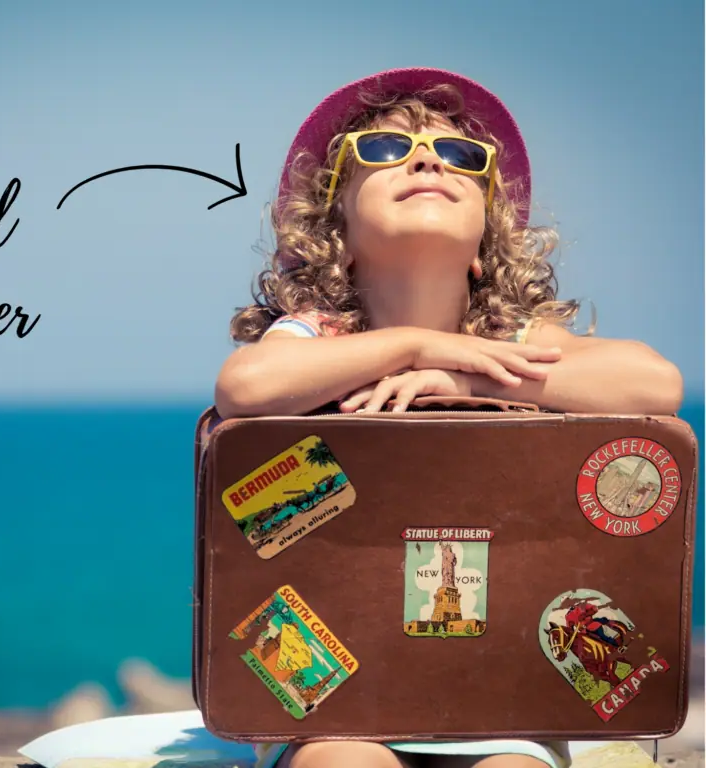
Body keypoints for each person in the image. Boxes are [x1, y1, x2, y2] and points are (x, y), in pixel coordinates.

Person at [213, 67, 683, 768]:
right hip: (326, 696)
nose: (427, 159)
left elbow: (655, 382)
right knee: (342, 762)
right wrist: (413, 345)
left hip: (499, 695)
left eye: (463, 156)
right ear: (334, 228)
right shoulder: (316, 334)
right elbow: (245, 386)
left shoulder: (514, 344)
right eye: (383, 151)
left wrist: (463, 372)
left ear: (486, 240)